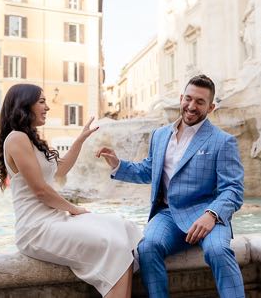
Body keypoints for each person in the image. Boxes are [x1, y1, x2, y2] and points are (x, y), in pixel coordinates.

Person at [97, 75, 246, 298]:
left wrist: (212, 215)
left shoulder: (222, 141)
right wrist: (118, 165)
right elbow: (149, 170)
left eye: (200, 102)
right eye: (188, 98)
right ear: (181, 98)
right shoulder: (160, 135)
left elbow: (233, 189)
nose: (192, 106)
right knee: (146, 248)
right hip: (168, 216)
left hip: (208, 214)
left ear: (211, 107)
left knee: (218, 250)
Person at [0, 83, 142, 298]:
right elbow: (41, 191)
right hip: (36, 228)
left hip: (55, 219)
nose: (47, 107)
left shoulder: (30, 139)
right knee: (114, 244)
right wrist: (74, 208)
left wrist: (80, 139)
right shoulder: (16, 138)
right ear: (24, 105)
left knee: (123, 227)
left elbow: (61, 169)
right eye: (42, 102)